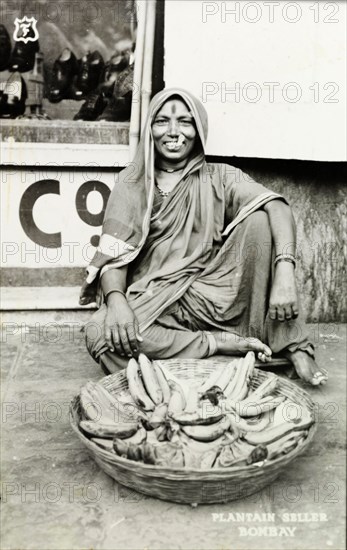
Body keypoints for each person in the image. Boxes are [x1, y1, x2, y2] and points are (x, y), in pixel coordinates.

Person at [80, 88, 328, 386]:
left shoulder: (221, 176)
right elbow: (114, 255)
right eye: (162, 122)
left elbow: (277, 204)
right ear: (149, 130)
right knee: (99, 333)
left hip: (215, 295)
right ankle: (222, 348)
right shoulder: (132, 182)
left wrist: (285, 269)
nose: (173, 132)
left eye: (185, 122)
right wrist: (117, 302)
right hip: (158, 301)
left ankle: (288, 344)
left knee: (261, 220)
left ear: (199, 130)